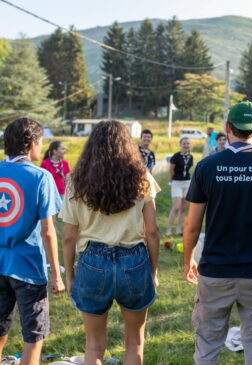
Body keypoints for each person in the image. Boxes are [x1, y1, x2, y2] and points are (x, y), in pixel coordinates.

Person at [183, 101, 252, 365]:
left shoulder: (207, 166)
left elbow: (191, 225)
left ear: (227, 128)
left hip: (215, 271)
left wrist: (188, 258)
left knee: (208, 347)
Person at [60, 120, 160, 365]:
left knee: (93, 347)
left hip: (92, 262)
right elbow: (153, 231)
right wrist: (153, 271)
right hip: (134, 260)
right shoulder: (142, 176)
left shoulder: (76, 180)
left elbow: (68, 236)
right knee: (135, 342)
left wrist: (70, 275)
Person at [0, 118, 65, 365]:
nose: (42, 147)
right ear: (30, 145)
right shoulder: (41, 177)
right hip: (27, 266)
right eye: (41, 142)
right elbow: (48, 231)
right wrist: (57, 276)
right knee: (34, 334)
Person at [167, 137, 193, 236]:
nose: (186, 145)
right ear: (180, 144)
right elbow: (171, 170)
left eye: (188, 143)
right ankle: (169, 230)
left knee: (183, 208)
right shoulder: (176, 156)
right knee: (176, 207)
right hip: (177, 183)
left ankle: (179, 229)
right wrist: (171, 181)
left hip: (187, 182)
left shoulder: (191, 156)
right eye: (184, 143)